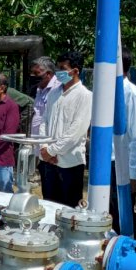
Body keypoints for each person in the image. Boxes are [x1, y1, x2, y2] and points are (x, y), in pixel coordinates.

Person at [39, 51, 92, 208]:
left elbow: (76, 131)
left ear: (75, 71)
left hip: (69, 163)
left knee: (69, 209)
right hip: (47, 161)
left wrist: (53, 151)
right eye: (58, 68)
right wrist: (44, 148)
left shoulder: (85, 96)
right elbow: (44, 121)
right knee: (49, 205)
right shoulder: (54, 93)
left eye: (63, 68)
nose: (58, 72)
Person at [108, 47, 136, 252]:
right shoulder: (105, 92)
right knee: (110, 213)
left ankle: (133, 255)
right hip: (107, 162)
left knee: (124, 215)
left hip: (121, 164)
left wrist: (133, 174)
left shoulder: (131, 93)